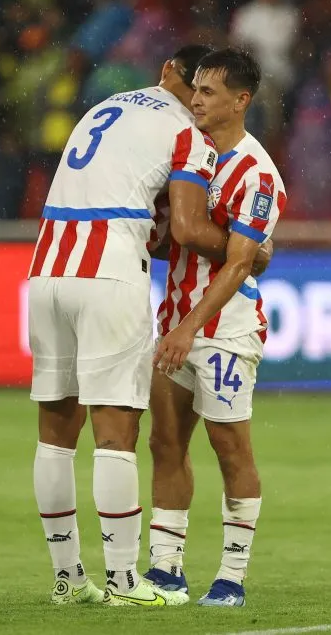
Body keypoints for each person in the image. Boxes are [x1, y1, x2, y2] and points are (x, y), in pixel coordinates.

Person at [29, 45, 241, 608]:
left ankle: (67, 578)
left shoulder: (105, 107)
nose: (197, 100)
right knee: (116, 434)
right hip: (109, 272)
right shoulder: (189, 134)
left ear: (163, 69)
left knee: (55, 434)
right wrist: (246, 251)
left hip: (48, 267)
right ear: (190, 83)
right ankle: (124, 580)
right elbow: (192, 230)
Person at [147, 48, 287, 608]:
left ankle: (231, 577)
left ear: (240, 101)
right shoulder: (189, 153)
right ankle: (164, 571)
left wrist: (188, 329)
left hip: (225, 329)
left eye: (208, 91)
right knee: (165, 443)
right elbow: (174, 240)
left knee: (231, 450)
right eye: (196, 89)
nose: (196, 99)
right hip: (175, 320)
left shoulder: (258, 174)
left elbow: (238, 263)